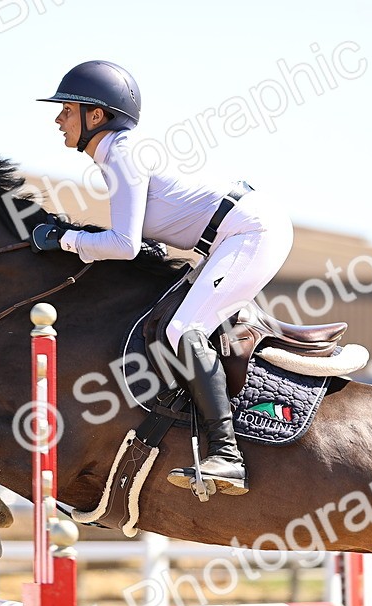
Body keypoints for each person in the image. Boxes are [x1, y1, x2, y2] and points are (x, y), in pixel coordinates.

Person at [32, 60, 294, 497]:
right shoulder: (117, 152)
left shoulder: (120, 152)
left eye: (67, 109)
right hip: (237, 232)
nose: (58, 118)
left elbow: (124, 246)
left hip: (250, 231)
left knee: (183, 328)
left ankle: (227, 455)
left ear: (95, 116)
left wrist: (64, 238)